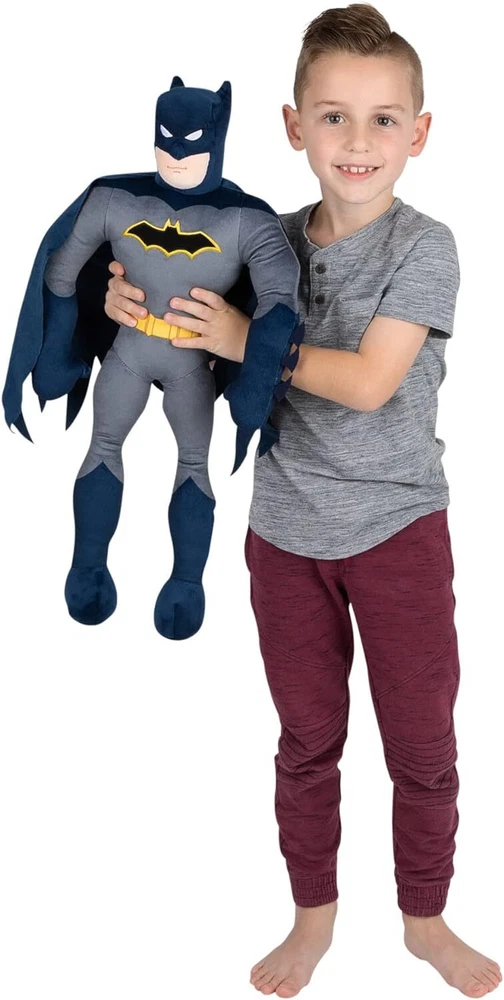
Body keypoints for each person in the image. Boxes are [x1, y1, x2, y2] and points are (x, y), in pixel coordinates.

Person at [102, 5, 502, 997]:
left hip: (399, 529)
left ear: (419, 132)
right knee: (308, 741)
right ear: (292, 126)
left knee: (422, 744)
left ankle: (424, 919)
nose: (356, 141)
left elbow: (368, 382)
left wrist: (243, 338)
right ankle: (313, 918)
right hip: (284, 534)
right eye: (333, 116)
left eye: (382, 119)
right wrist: (131, 307)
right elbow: (191, 355)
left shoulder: (427, 247)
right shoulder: (259, 240)